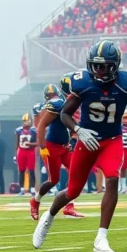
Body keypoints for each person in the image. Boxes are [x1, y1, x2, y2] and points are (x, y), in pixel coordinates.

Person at [33, 41, 127, 252]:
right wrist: (79, 130)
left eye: (104, 65)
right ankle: (49, 216)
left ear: (115, 65)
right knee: (73, 191)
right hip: (87, 140)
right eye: (95, 65)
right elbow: (65, 114)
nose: (99, 70)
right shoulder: (82, 82)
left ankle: (101, 238)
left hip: (112, 139)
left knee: (113, 179)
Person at [31, 79, 83, 220]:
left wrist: (72, 140)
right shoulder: (57, 104)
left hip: (65, 146)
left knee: (75, 173)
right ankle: (35, 200)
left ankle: (69, 206)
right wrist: (42, 147)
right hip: (52, 146)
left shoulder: (70, 104)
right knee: (53, 180)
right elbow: (41, 126)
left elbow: (74, 127)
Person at [15, 114, 38, 195]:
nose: (27, 122)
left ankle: (32, 189)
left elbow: (38, 142)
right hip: (21, 151)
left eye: (28, 121)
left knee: (31, 170)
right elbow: (17, 143)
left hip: (30, 152)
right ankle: (22, 189)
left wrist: (31, 144)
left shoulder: (34, 131)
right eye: (25, 121)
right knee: (21, 171)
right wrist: (15, 154)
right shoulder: (18, 130)